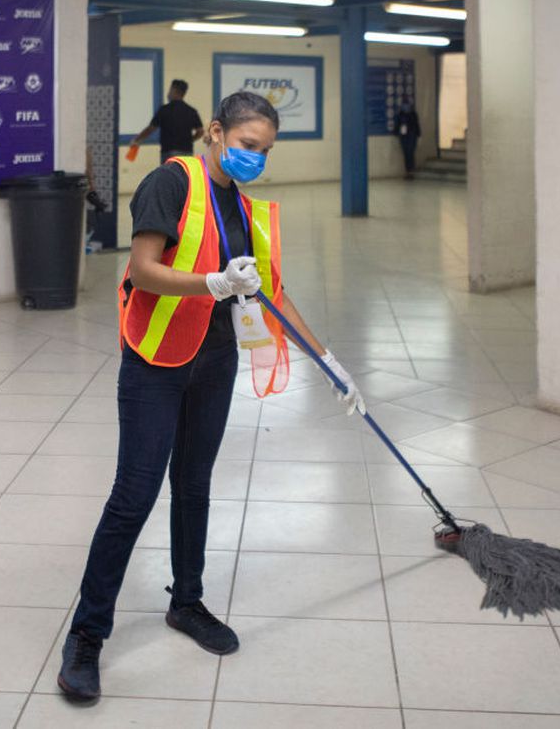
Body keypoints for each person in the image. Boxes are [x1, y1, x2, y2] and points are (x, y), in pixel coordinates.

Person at [57, 91, 366, 704]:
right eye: (250, 146)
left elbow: (276, 295)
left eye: (266, 151)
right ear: (217, 133)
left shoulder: (244, 207)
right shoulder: (172, 183)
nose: (257, 159)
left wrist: (329, 362)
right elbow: (141, 268)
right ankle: (87, 635)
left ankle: (187, 602)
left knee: (194, 484)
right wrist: (213, 282)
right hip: (156, 360)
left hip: (215, 358)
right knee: (134, 494)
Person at [127, 79, 205, 164]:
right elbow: (200, 131)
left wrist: (137, 139)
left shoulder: (164, 110)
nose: (168, 93)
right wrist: (190, 140)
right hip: (187, 153)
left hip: (169, 153)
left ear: (174, 90)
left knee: (169, 176)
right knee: (185, 176)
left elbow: (151, 128)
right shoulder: (191, 111)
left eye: (170, 90)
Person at [395, 101, 422, 179]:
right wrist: (397, 132)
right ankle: (407, 171)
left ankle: (411, 172)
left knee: (410, 153)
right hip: (403, 136)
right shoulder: (400, 114)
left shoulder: (413, 114)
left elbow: (417, 125)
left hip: (412, 136)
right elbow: (397, 125)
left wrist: (419, 135)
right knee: (406, 153)